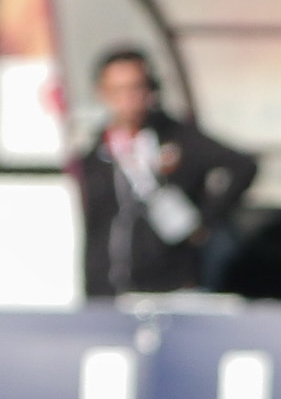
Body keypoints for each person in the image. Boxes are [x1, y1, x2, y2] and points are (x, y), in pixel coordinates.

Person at [75, 49, 257, 298]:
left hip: (171, 285)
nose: (129, 99)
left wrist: (205, 218)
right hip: (108, 288)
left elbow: (242, 166)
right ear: (102, 94)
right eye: (118, 90)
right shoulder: (94, 152)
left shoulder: (176, 138)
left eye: (136, 88)